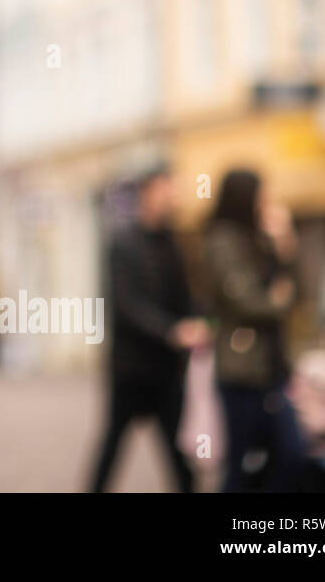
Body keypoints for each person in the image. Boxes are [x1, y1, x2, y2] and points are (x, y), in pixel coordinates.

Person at [88, 163, 210, 493]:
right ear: (146, 193)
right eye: (165, 188)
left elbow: (186, 296)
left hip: (168, 369)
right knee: (112, 447)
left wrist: (198, 322)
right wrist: (172, 331)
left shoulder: (174, 242)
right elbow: (126, 304)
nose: (172, 195)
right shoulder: (122, 242)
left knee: (178, 453)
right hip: (131, 368)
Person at [203, 168, 308, 492]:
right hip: (241, 370)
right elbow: (250, 303)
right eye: (261, 194)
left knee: (289, 455)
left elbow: (295, 293)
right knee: (243, 462)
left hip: (271, 369)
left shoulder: (261, 237)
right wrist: (277, 301)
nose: (267, 202)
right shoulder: (222, 240)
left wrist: (286, 245)